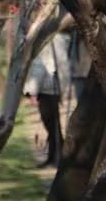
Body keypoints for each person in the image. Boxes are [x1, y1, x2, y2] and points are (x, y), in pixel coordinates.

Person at [25, 29, 71, 167]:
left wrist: (33, 92)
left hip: (45, 89)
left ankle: (56, 157)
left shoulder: (43, 43)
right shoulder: (58, 40)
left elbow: (39, 68)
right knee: (53, 125)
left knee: (51, 126)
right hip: (54, 87)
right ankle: (55, 157)